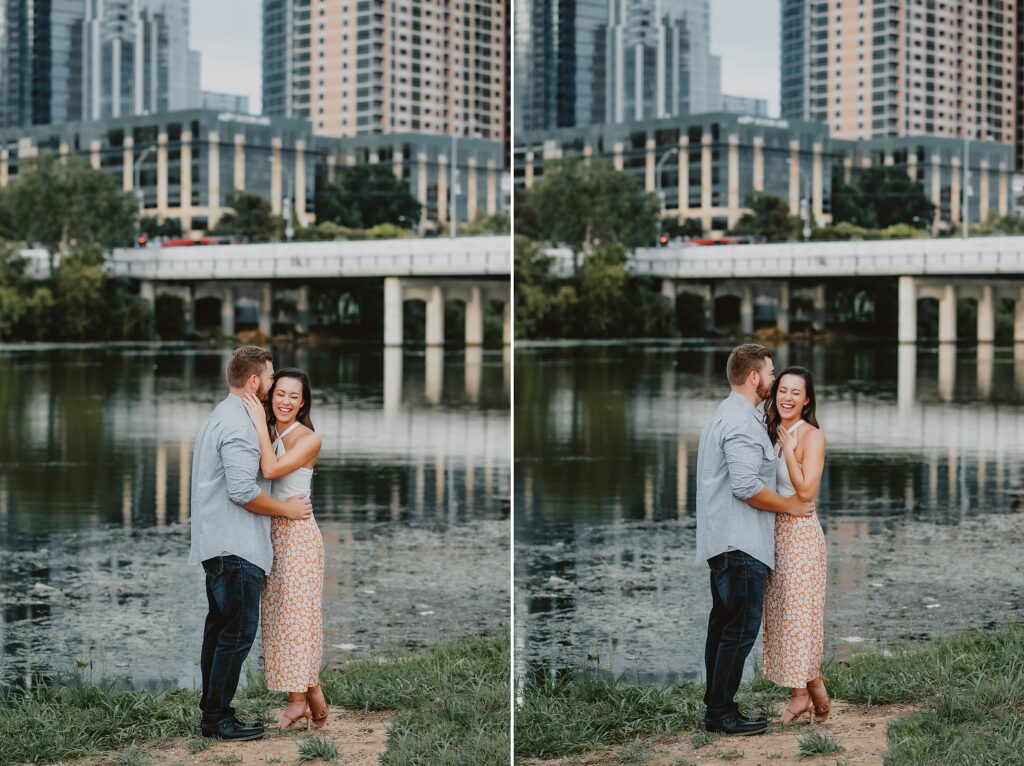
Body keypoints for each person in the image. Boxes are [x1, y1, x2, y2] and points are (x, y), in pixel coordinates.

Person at [188, 346, 313, 741]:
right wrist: (286, 510)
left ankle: (213, 712)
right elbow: (243, 491)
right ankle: (218, 718)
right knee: (237, 634)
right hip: (236, 546)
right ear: (255, 381)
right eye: (272, 378)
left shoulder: (219, 416)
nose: (275, 385)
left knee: (219, 630)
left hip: (216, 543)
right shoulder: (241, 425)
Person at [695, 344, 816, 736]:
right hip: (740, 542)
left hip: (724, 539)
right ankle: (722, 713)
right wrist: (788, 507)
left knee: (724, 625)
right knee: (741, 629)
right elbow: (747, 486)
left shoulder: (725, 413)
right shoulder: (743, 423)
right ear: (754, 378)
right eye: (770, 372)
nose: (774, 379)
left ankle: (717, 706)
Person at [242, 368, 328, 731]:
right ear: (270, 395)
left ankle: (299, 703)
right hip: (270, 533)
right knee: (279, 620)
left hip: (299, 537)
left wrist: (259, 425)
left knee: (300, 620)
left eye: (294, 396)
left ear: (303, 401)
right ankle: (314, 698)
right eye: (279, 394)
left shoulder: (309, 439)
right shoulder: (271, 429)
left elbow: (272, 469)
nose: (286, 402)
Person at [761, 367, 830, 724]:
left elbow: (806, 492)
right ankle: (815, 687)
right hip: (773, 533)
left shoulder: (812, 436)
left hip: (801, 534)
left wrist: (789, 449)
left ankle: (800, 696)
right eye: (781, 390)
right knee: (782, 616)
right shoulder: (768, 430)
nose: (786, 398)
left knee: (801, 617)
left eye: (795, 393)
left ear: (807, 399)